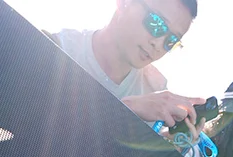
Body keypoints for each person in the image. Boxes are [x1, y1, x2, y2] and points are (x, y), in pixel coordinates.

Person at [48, 0, 206, 129]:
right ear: (124, 3)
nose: (158, 44)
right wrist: (126, 109)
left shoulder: (155, 89)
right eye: (157, 23)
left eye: (171, 41)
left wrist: (167, 145)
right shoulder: (55, 49)